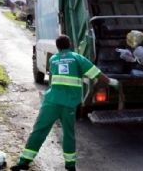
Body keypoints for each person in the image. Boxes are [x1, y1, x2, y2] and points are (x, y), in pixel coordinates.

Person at [11, 35, 119, 171]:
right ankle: (70, 165)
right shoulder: (77, 58)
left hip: (51, 101)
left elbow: (54, 78)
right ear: (70, 45)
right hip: (68, 104)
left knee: (39, 130)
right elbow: (96, 73)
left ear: (57, 47)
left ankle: (24, 162)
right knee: (68, 133)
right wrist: (111, 82)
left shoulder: (53, 59)